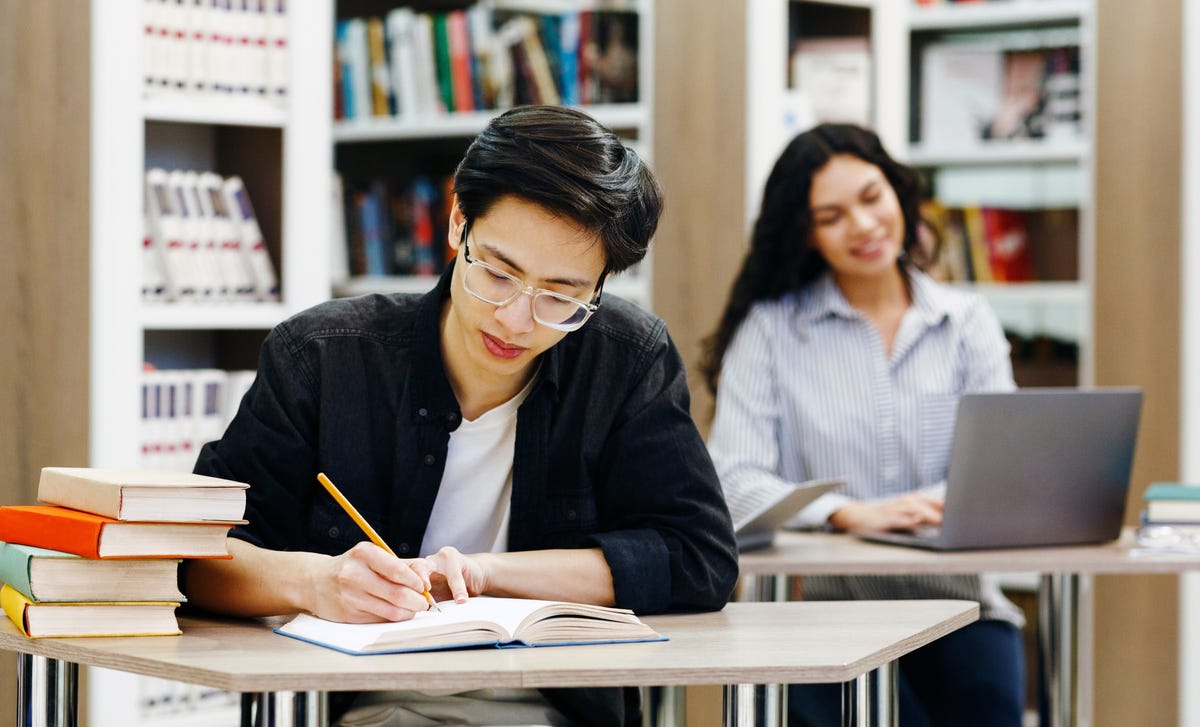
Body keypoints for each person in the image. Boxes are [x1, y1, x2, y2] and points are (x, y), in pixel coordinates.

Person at [186, 105, 739, 727]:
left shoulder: (626, 359)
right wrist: (316, 583)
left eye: (561, 297)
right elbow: (196, 552)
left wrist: (484, 574)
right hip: (365, 707)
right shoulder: (323, 356)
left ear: (601, 285)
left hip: (559, 710)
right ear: (457, 225)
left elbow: (698, 558)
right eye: (498, 274)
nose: (516, 319)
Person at [702, 123, 1025, 727]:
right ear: (807, 234)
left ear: (899, 194)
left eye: (872, 197)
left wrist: (920, 505)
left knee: (989, 697)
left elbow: (1002, 474)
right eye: (832, 215)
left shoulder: (967, 322)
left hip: (961, 606)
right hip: (816, 617)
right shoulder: (770, 330)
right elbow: (729, 480)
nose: (863, 225)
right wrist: (847, 513)